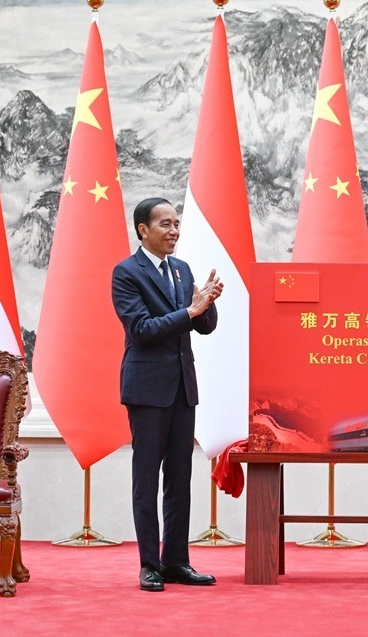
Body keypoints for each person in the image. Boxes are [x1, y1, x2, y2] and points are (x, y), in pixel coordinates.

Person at [111, 197, 224, 592]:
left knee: (180, 478)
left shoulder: (181, 269)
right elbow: (142, 330)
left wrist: (207, 303)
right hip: (147, 390)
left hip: (181, 388)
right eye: (165, 224)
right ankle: (149, 565)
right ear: (143, 229)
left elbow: (203, 326)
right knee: (146, 479)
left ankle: (177, 562)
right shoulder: (127, 273)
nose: (174, 230)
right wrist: (190, 311)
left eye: (176, 223)